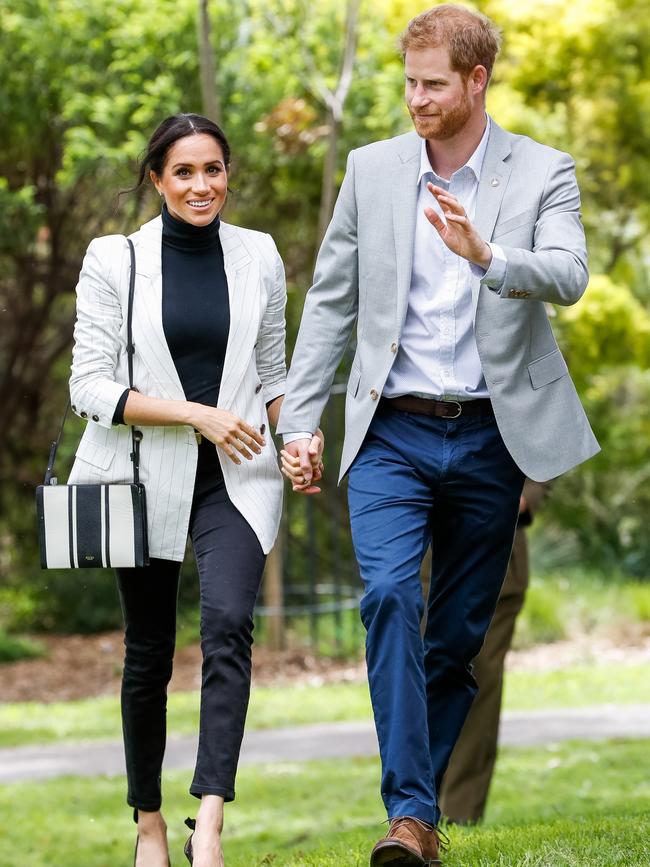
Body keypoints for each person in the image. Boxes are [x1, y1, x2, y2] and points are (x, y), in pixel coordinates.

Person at [278, 5, 598, 865]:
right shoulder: (373, 170)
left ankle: (416, 820)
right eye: (408, 81)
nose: (415, 98)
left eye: (431, 84)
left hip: (495, 434)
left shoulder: (542, 170)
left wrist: (488, 253)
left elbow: (568, 273)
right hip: (392, 430)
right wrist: (301, 419)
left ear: (476, 81)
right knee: (387, 596)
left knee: (457, 638)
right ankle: (410, 817)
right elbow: (334, 304)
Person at [67, 113, 322, 867]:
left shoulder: (260, 255)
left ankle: (207, 820)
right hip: (143, 473)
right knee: (147, 652)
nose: (201, 185)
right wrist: (196, 414)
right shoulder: (116, 259)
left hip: (237, 474)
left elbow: (275, 375)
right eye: (183, 172)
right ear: (156, 179)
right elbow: (89, 386)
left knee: (229, 626)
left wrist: (297, 438)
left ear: (227, 173)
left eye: (213, 169)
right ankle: (148, 823)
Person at [439, 479, 552, 824]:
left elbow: (553, 431)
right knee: (424, 680)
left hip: (498, 554)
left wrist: (524, 496)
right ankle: (413, 812)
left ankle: (459, 815)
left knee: (479, 684)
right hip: (424, 559)